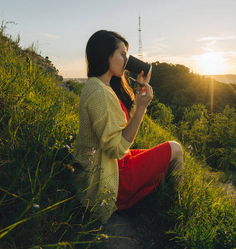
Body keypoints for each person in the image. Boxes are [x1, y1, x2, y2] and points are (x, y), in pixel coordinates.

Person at [73, 30, 184, 222]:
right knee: (175, 148)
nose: (126, 60)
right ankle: (176, 207)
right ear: (106, 54)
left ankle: (167, 198)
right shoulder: (100, 92)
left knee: (161, 152)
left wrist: (139, 97)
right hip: (110, 179)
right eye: (122, 54)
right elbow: (116, 149)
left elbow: (124, 125)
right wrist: (142, 107)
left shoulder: (101, 86)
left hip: (111, 165)